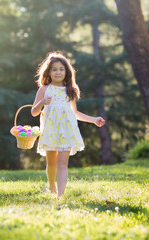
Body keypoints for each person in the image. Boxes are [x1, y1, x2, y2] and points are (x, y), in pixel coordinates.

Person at [31, 52, 105, 197]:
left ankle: (60, 196)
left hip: (66, 132)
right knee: (51, 163)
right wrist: (42, 102)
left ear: (66, 72)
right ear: (48, 72)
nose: (58, 72)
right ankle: (52, 187)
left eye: (61, 69)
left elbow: (75, 113)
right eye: (54, 69)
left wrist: (94, 119)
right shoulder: (44, 89)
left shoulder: (69, 91)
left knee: (62, 164)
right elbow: (34, 112)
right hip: (50, 131)